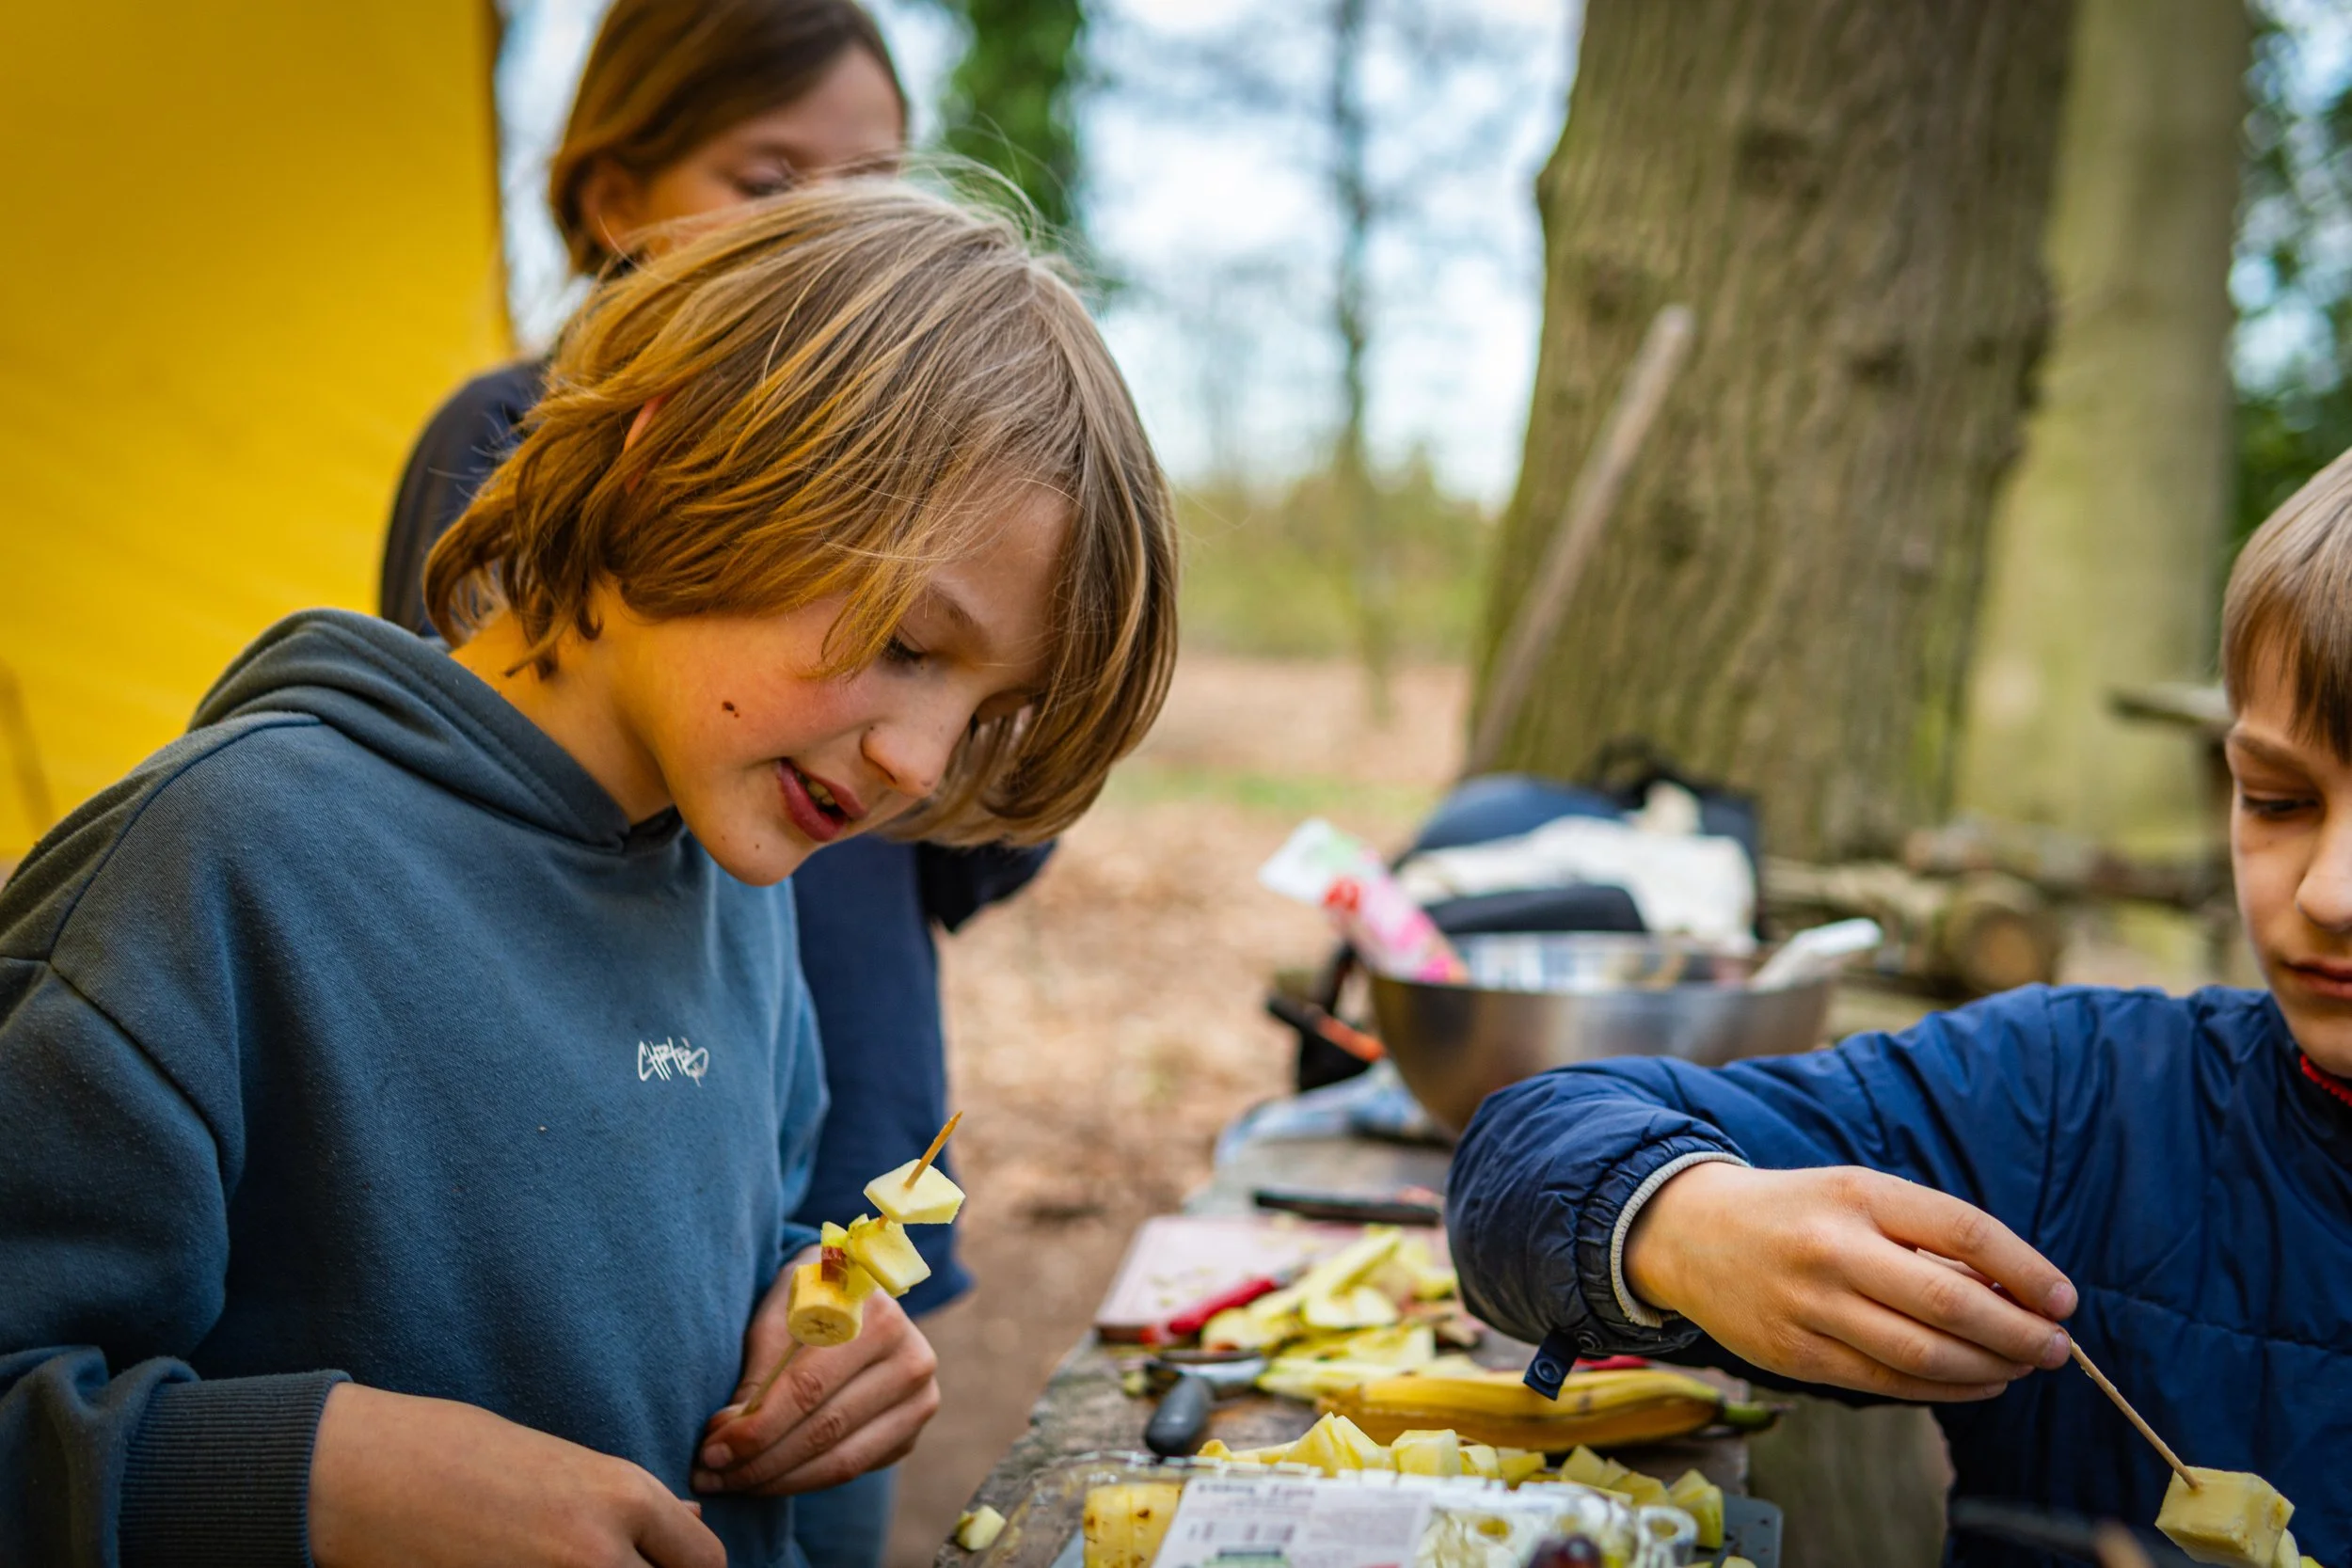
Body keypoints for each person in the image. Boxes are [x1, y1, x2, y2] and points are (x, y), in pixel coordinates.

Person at [0, 180, 1178, 1568]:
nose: (922, 760)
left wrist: (813, 1306)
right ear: (665, 466)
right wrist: (321, 1472)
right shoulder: (218, 868)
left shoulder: (736, 882)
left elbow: (722, 1230)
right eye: (910, 643)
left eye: (984, 711)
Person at [383, 7, 1045, 1557]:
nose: (830, 228)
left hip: (828, 1117)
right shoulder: (516, 431)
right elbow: (489, 803)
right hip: (590, 1151)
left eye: (874, 185)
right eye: (769, 179)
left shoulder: (926, 525)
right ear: (615, 195)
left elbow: (964, 860)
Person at [1446, 455, 2352, 1564]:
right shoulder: (2083, 1106)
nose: (2325, 892)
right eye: (2277, 801)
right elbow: (1524, 1149)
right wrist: (1678, 1222)